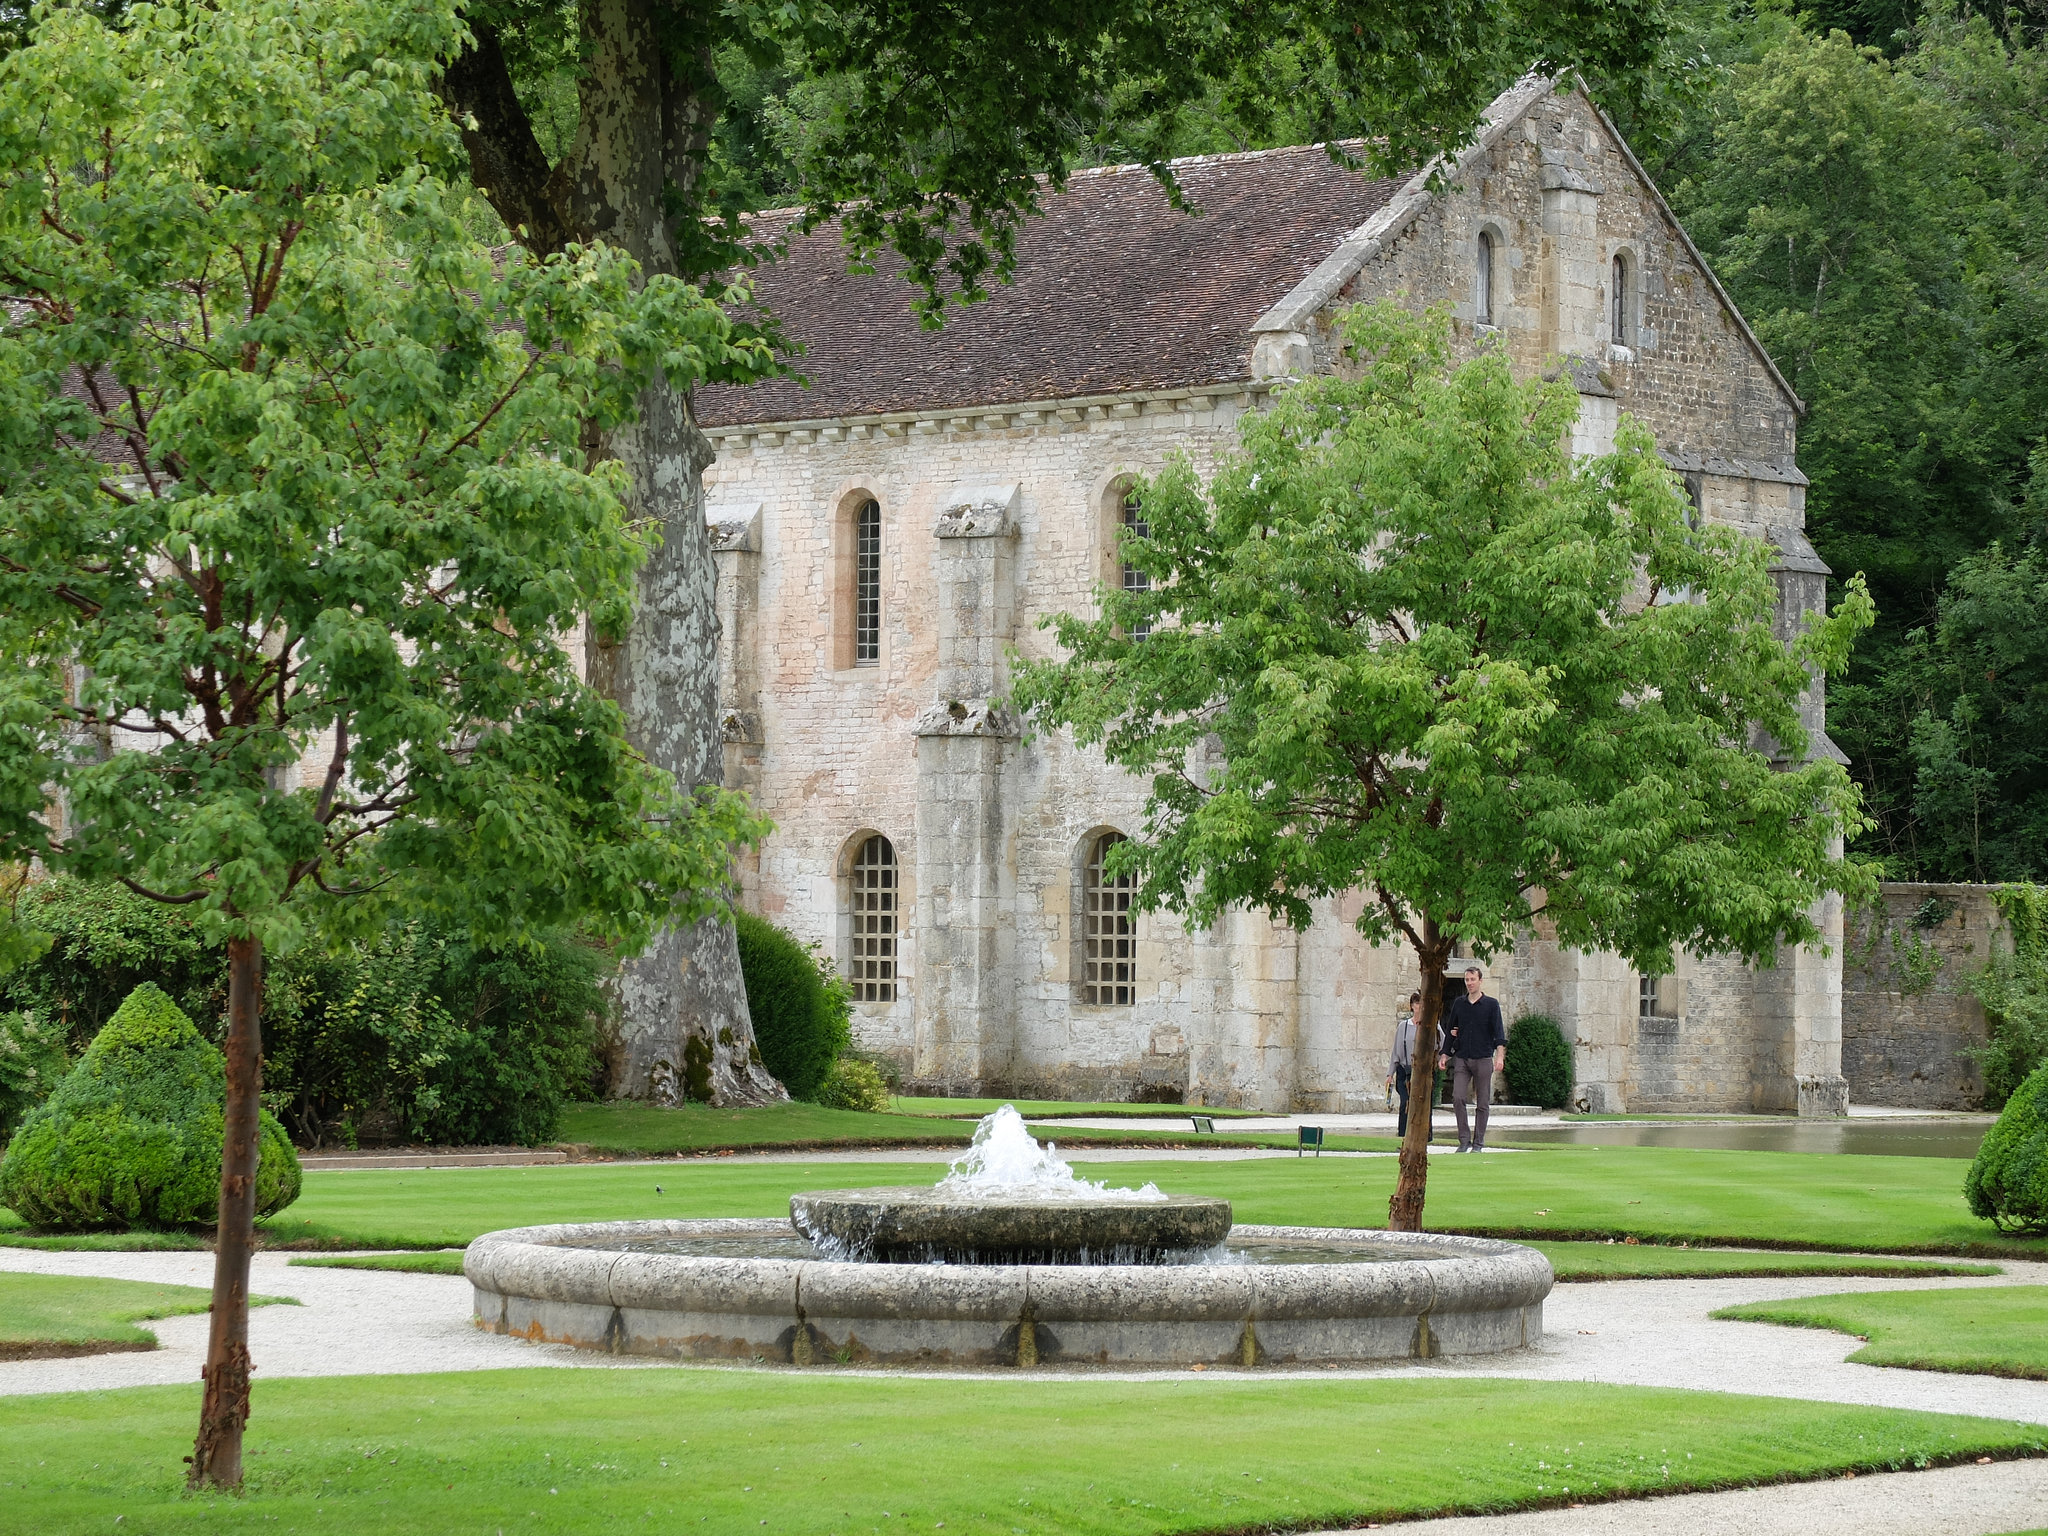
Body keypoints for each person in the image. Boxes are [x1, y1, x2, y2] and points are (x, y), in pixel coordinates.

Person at [1438, 964, 1506, 1152]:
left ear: (1480, 981)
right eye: (1467, 980)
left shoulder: (1491, 1005)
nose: (1469, 983)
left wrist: (1499, 1056)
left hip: (1483, 1057)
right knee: (1458, 1097)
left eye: (1472, 979)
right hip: (1462, 1057)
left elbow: (1499, 1032)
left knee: (1482, 1102)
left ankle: (1479, 1143)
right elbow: (1451, 1031)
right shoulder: (1459, 1004)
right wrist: (1444, 1054)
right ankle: (1463, 1140)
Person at [1384, 991, 1437, 1139]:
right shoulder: (1404, 1026)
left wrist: (1440, 1059)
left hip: (1425, 1071)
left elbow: (1442, 1044)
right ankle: (1404, 1135)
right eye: (1417, 1003)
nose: (1420, 1007)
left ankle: (1425, 1136)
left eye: (1422, 1003)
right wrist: (1390, 1074)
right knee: (1405, 1102)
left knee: (1425, 1103)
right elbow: (1396, 1051)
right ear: (1412, 1006)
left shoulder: (1433, 1025)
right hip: (1405, 1070)